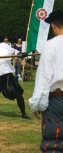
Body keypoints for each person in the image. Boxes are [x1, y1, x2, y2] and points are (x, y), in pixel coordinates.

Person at [29, 10, 63, 152]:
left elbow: (44, 78)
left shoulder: (51, 45)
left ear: (54, 26)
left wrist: (37, 104)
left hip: (57, 101)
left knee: (54, 144)